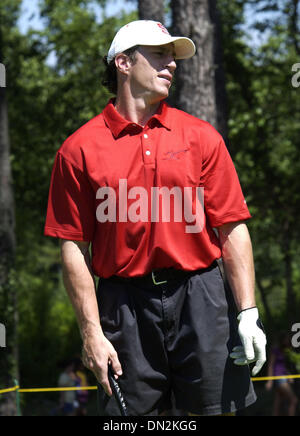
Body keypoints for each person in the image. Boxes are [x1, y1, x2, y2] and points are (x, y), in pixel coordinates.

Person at [44, 20, 267, 416]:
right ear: (124, 63)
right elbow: (74, 249)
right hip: (123, 307)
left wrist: (248, 312)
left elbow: (232, 226)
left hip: (202, 298)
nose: (173, 64)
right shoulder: (77, 150)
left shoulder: (201, 136)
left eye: (174, 56)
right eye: (160, 54)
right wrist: (91, 333)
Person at [266, 334, 298, 416]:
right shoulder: (275, 350)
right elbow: (271, 365)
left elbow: (282, 367)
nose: (287, 341)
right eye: (286, 339)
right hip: (279, 378)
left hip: (283, 377)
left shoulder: (284, 351)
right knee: (293, 400)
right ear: (282, 340)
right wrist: (270, 381)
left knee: (278, 403)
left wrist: (288, 375)